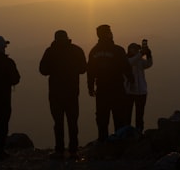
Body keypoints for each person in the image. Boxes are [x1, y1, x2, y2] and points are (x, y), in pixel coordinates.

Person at [38, 29, 88, 158]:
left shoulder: (50, 51)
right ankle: (73, 150)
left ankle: (59, 150)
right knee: (72, 122)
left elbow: (43, 70)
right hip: (72, 92)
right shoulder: (76, 50)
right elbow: (83, 69)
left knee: (58, 123)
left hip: (55, 92)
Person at [86, 24, 132, 141]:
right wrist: (131, 80)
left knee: (102, 119)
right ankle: (119, 143)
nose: (111, 33)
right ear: (108, 34)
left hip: (101, 89)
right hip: (117, 89)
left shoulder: (94, 51)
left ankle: (103, 143)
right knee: (119, 117)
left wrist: (90, 87)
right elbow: (126, 67)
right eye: (110, 32)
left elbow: (90, 71)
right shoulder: (118, 50)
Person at [125, 39, 153, 133]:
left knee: (139, 115)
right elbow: (131, 62)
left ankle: (139, 131)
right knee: (127, 114)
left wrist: (149, 55)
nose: (137, 51)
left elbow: (149, 64)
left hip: (141, 92)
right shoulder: (126, 60)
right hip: (129, 92)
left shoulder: (139, 60)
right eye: (135, 49)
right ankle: (127, 132)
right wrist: (141, 54)